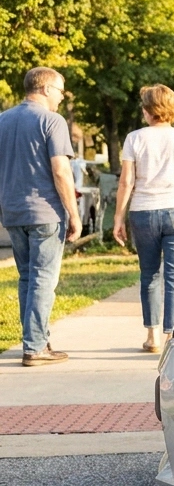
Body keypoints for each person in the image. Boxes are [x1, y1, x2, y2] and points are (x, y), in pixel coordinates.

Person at [112, 85, 174, 353]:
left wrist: (118, 218)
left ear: (147, 110)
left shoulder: (134, 138)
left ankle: (152, 336)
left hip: (144, 212)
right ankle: (172, 336)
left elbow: (126, 182)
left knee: (149, 275)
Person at [0, 67, 81, 366]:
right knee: (43, 280)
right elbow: (61, 170)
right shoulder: (52, 120)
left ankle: (36, 338)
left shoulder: (3, 120)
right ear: (46, 88)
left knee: (28, 279)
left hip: (13, 211)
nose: (61, 97)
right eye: (60, 90)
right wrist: (73, 213)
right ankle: (35, 348)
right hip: (45, 211)